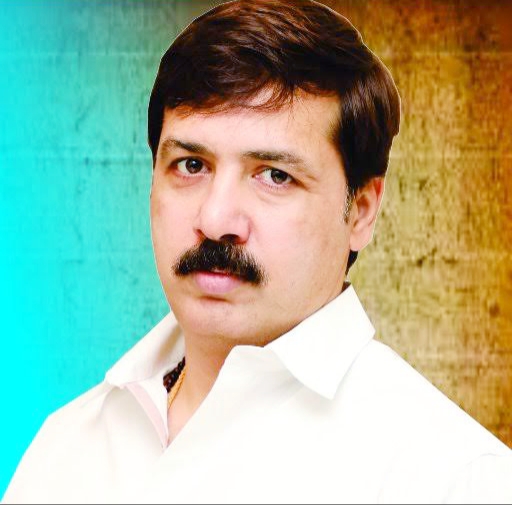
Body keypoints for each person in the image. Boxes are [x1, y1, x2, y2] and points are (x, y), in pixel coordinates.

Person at [3, 0, 511, 503]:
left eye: (275, 176)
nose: (215, 220)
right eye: (191, 165)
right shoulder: (66, 448)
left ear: (360, 211)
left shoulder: (452, 478)